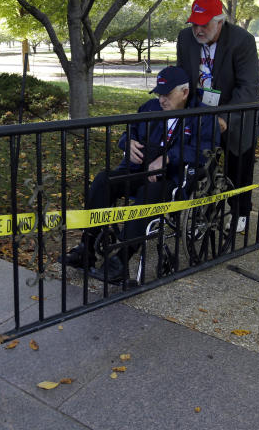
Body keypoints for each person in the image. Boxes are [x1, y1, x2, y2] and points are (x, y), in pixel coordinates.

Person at [60, 67, 216, 282]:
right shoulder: (149, 107)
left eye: (167, 94)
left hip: (172, 178)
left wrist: (170, 157)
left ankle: (120, 261)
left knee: (149, 192)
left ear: (185, 92)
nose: (161, 99)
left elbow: (205, 151)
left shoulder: (203, 115)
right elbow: (129, 131)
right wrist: (127, 142)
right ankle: (86, 247)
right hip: (137, 169)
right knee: (103, 180)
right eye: (159, 93)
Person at [175, 0, 259, 233]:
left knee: (238, 166)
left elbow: (249, 88)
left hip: (235, 113)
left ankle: (240, 211)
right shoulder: (185, 39)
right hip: (201, 112)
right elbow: (182, 77)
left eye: (204, 24)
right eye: (194, 24)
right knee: (200, 164)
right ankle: (205, 213)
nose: (198, 30)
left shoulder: (242, 41)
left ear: (220, 21)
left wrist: (224, 118)